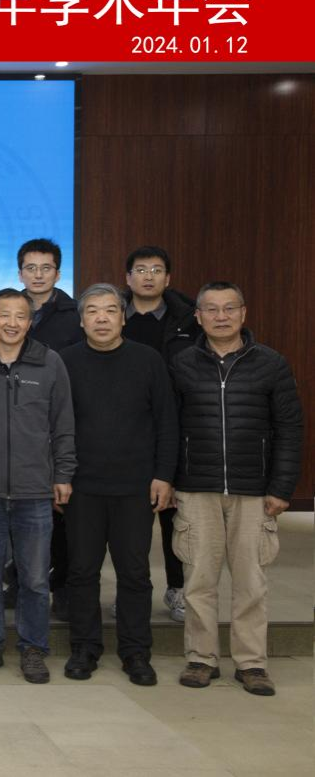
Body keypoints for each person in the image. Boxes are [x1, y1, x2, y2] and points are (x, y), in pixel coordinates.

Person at [170, 282, 304, 696]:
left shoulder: (271, 364)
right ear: (198, 317)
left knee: (251, 581)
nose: (221, 316)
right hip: (197, 489)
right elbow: (168, 428)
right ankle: (201, 658)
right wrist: (170, 480)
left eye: (229, 308)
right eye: (212, 309)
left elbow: (290, 428)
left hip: (254, 490)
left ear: (244, 313)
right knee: (198, 579)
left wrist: (281, 487)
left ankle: (251, 663)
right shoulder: (182, 364)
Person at [60, 284, 177, 686]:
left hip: (135, 487)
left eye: (111, 310)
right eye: (93, 311)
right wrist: (59, 477)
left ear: (123, 317)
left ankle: (135, 652)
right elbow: (53, 426)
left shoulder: (148, 360)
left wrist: (164, 475)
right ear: (81, 320)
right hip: (82, 487)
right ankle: (84, 648)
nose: (102, 318)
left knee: (134, 574)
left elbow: (167, 422)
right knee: (81, 571)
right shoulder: (65, 362)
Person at [0, 288, 75, 685]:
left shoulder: (50, 363)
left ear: (30, 321)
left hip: (35, 491)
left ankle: (33, 648)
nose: (12, 323)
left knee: (36, 579)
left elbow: (63, 424)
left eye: (20, 316)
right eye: (4, 315)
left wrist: (63, 474)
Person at [121, 245, 197, 624]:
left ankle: (178, 588)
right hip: (125, 432)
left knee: (173, 516)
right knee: (128, 522)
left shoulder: (189, 320)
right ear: (128, 278)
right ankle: (130, 591)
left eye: (156, 270)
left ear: (168, 278)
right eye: (140, 269)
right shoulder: (114, 315)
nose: (148, 276)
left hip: (174, 426)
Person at [17, 237, 82, 621]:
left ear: (58, 273)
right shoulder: (10, 310)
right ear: (20, 273)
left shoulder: (74, 315)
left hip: (58, 422)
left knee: (61, 516)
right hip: (17, 427)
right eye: (31, 268)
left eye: (46, 268)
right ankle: (18, 582)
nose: (38, 275)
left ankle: (61, 588)